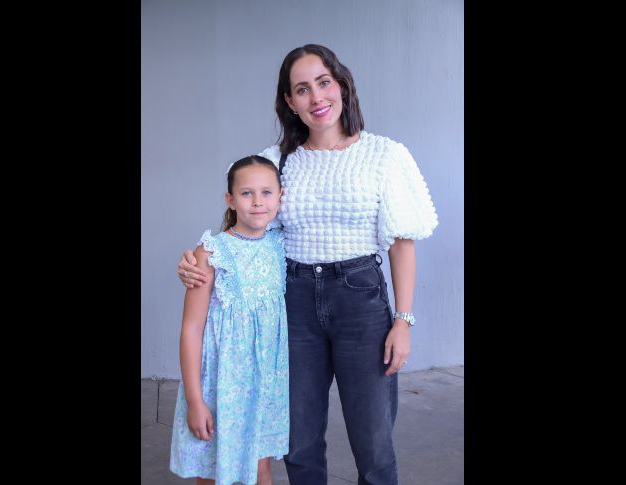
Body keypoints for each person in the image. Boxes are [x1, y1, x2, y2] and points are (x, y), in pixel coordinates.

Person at [177, 44, 438, 485]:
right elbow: (245, 220)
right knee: (298, 442)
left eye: (323, 82)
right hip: (293, 304)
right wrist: (197, 260)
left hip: (361, 302)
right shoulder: (278, 161)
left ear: (341, 84)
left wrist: (403, 320)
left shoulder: (384, 156)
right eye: (302, 89)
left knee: (373, 441)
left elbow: (401, 243)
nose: (316, 97)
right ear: (290, 103)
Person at [170, 155, 289, 485]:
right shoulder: (211, 252)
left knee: (260, 467)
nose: (257, 202)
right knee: (211, 468)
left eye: (266, 192)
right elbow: (191, 329)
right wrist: (196, 401)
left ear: (281, 196)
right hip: (219, 384)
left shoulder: (283, 245)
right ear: (230, 199)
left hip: (266, 384)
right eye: (247, 193)